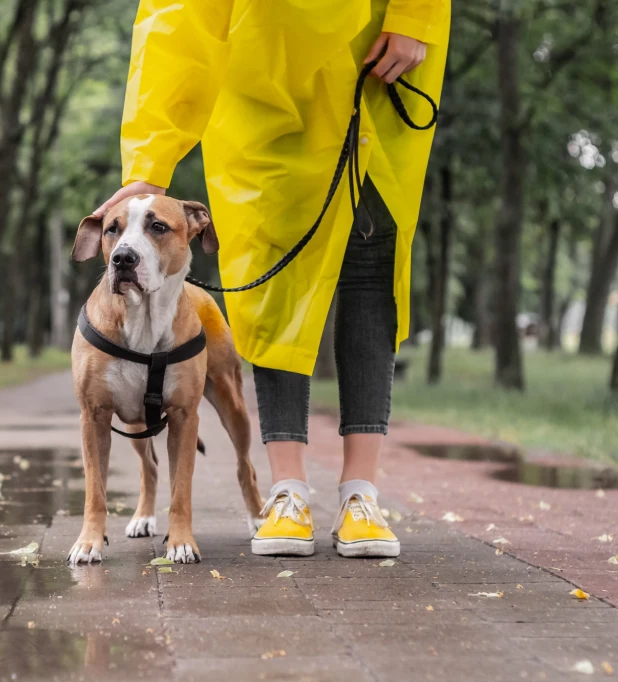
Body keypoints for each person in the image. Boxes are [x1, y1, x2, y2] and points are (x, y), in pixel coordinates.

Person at [93, 0, 450, 558]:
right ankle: (287, 492)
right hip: (260, 85)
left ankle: (362, 494)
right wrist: (147, 161)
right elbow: (174, 16)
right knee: (270, 282)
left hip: (373, 56)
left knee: (369, 269)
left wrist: (416, 15)